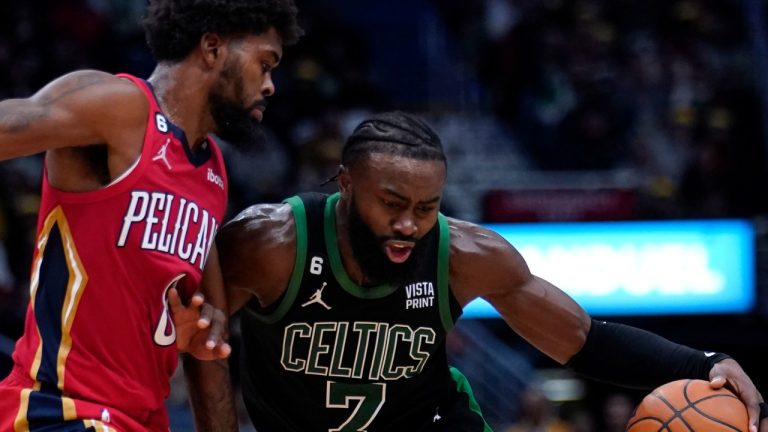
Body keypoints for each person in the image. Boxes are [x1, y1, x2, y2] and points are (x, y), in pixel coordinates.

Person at [187, 111, 767, 431]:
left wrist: (703, 363)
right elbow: (198, 347)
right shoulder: (271, 244)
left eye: (426, 207)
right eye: (391, 204)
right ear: (346, 184)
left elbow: (583, 340)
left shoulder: (465, 254)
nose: (409, 224)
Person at [0, 0, 302, 430]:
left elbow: (209, 349)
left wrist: (197, 333)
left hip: (141, 419)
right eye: (265, 64)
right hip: (60, 410)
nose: (270, 86)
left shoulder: (212, 172)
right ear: (212, 48)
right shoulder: (120, 107)